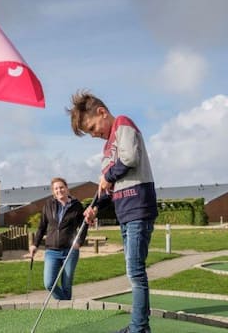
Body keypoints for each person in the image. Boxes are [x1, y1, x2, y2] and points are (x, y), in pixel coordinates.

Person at [67, 90, 158, 333]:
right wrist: (94, 206)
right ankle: (139, 326)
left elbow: (129, 158)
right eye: (90, 133)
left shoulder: (122, 124)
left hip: (139, 206)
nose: (94, 134)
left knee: (135, 270)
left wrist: (107, 176)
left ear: (102, 112)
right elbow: (107, 188)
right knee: (133, 270)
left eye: (93, 127)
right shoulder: (107, 149)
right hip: (126, 212)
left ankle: (139, 328)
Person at [28, 177, 88, 300]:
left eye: (61, 187)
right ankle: (66, 304)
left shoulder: (77, 206)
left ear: (67, 188)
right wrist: (35, 244)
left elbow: (84, 225)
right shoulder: (48, 205)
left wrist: (79, 242)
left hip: (70, 251)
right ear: (53, 191)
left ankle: (65, 310)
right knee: (49, 283)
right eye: (56, 188)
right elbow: (42, 227)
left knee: (66, 285)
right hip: (52, 251)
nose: (59, 190)